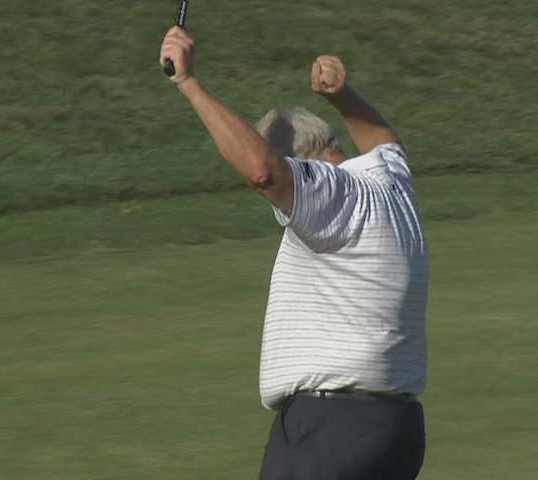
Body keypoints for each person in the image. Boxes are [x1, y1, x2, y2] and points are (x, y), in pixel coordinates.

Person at [160, 27, 428, 480]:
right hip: (395, 432)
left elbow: (264, 173)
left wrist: (188, 82)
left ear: (306, 166)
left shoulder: (334, 195)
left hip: (331, 430)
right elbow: (384, 141)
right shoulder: (390, 181)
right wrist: (342, 97)